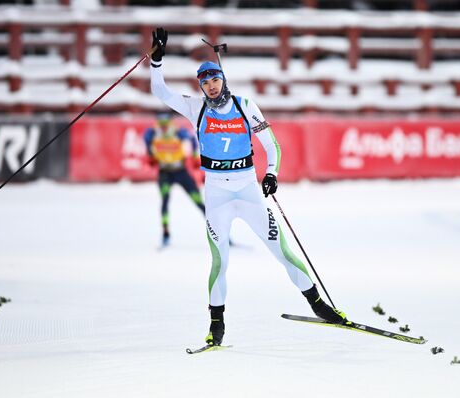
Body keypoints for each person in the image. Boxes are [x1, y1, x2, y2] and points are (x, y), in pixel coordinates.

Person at [149, 27, 347, 347]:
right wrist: (157, 59)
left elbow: (272, 145)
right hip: (218, 197)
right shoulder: (194, 108)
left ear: (223, 80)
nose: (211, 86)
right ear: (200, 86)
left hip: (249, 193)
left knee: (283, 252)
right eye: (205, 82)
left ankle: (318, 305)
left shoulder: (244, 106)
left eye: (215, 80)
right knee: (220, 262)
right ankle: (217, 325)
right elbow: (160, 91)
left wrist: (271, 174)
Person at [143, 111, 205, 247]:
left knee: (199, 202)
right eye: (161, 124)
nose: (164, 127)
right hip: (165, 173)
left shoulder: (177, 132)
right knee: (165, 200)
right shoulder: (153, 133)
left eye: (166, 124)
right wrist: (149, 154)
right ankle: (165, 234)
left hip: (181, 172)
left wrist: (195, 156)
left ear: (170, 123)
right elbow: (146, 140)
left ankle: (219, 234)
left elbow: (192, 139)